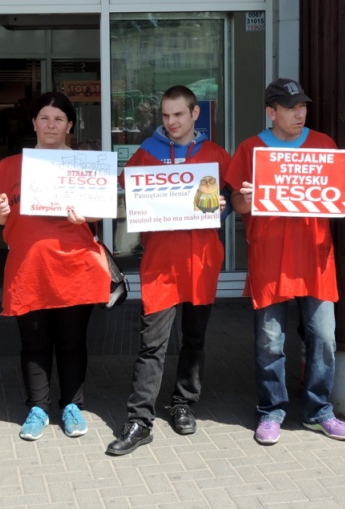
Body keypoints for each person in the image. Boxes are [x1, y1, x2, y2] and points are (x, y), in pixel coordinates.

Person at [224, 78, 345, 445]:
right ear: (271, 112)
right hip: (269, 259)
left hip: (315, 259)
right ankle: (271, 411)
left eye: (302, 106)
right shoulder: (251, 149)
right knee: (270, 342)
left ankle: (319, 411)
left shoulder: (323, 147)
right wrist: (247, 201)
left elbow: (332, 200)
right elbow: (236, 202)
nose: (299, 112)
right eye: (290, 107)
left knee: (324, 339)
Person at [106, 86, 231, 456]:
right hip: (160, 264)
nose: (171, 122)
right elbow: (119, 192)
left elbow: (231, 202)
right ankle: (140, 419)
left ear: (195, 115)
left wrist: (223, 206)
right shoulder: (146, 155)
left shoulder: (215, 155)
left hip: (201, 261)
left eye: (178, 114)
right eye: (165, 115)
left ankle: (183, 403)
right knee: (152, 344)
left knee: (194, 340)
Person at [0, 91, 111, 441]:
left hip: (76, 265)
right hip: (29, 267)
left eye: (58, 119)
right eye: (44, 118)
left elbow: (101, 211)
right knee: (35, 342)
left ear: (70, 125)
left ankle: (72, 405)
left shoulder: (87, 165)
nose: (51, 125)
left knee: (72, 342)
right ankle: (38, 408)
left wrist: (86, 215)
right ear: (34, 123)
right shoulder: (10, 166)